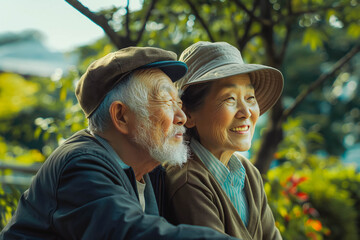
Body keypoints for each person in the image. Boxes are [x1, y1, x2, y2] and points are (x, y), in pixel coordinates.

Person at [0, 46, 239, 240]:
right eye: (167, 101)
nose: (182, 117)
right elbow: (129, 233)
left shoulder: (149, 171)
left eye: (179, 103)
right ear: (122, 116)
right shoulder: (81, 165)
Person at [165, 41, 284, 239]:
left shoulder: (248, 174)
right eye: (229, 99)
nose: (246, 112)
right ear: (188, 114)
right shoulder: (187, 180)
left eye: (250, 97)